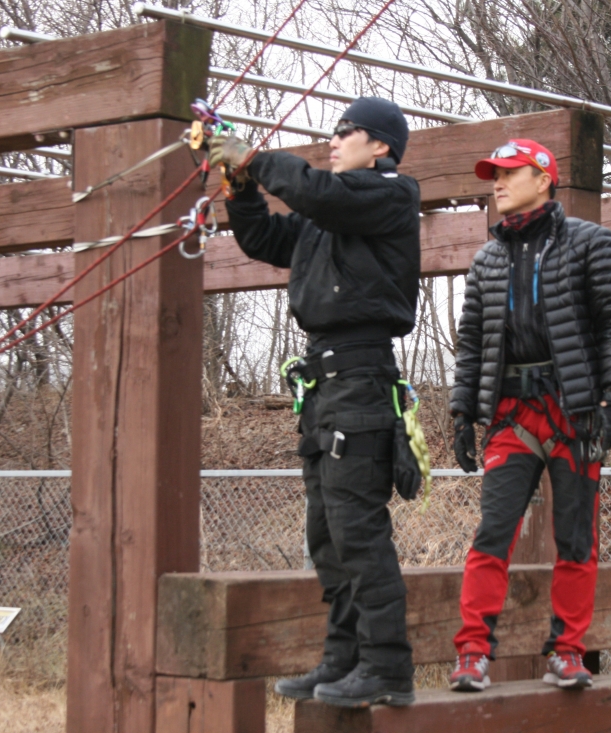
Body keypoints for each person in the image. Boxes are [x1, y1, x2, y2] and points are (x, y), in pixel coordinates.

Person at [209, 97, 419, 707]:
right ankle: (343, 658)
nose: (333, 139)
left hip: (360, 376)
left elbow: (322, 195)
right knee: (326, 533)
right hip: (324, 385)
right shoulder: (328, 221)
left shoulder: (391, 195)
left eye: (345, 131)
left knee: (358, 528)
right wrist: (240, 184)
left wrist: (254, 156)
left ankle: (387, 668)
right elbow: (264, 236)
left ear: (379, 145)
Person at [447, 139, 611, 691]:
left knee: (576, 538)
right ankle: (472, 653)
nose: (497, 183)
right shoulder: (487, 259)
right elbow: (471, 343)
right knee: (492, 532)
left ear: (544, 178)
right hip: (511, 416)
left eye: (510, 173)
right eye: (493, 175)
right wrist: (462, 412)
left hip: (574, 414)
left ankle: (569, 650)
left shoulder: (592, 243)